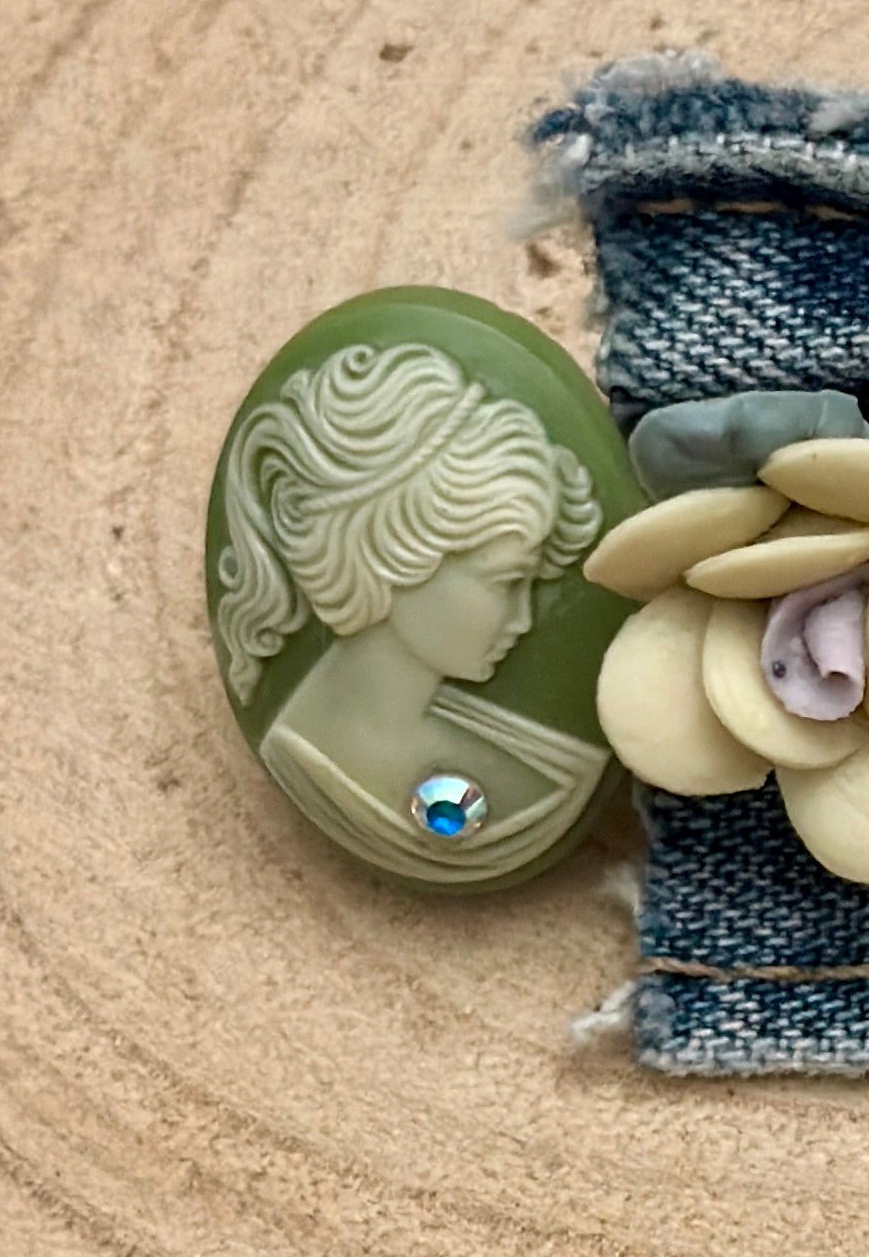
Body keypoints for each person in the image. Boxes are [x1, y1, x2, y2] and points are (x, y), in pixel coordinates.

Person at [212, 340, 604, 882]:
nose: (522, 619)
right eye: (506, 581)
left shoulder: (547, 763)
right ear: (392, 553)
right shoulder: (311, 757)